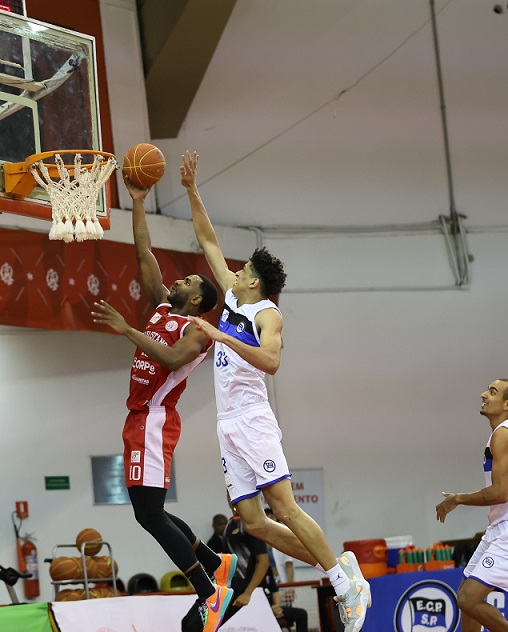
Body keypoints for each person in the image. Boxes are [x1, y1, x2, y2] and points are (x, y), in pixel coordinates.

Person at [181, 151, 369, 632]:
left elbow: (273, 362)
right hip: (228, 426)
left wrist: (223, 338)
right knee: (255, 524)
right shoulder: (231, 294)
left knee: (284, 507)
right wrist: (191, 190)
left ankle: (344, 585)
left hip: (252, 417)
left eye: (243, 270)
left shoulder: (267, 314)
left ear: (255, 281)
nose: (235, 270)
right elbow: (207, 240)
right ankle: (340, 565)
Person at [91, 176, 234, 632]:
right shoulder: (162, 309)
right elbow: (143, 254)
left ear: (196, 300)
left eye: (187, 280)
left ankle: (209, 591)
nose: (176, 279)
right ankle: (213, 559)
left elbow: (171, 358)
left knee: (148, 513)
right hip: (139, 420)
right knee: (148, 510)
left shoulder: (196, 332)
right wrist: (136, 202)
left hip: (154, 420)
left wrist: (126, 330)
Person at [436, 379, 508, 632]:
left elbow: (500, 493)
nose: (483, 394)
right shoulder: (507, 431)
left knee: (468, 599)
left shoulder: (503, 435)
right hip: (503, 527)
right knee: (467, 599)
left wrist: (457, 499)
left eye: (492, 392)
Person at [219, 507, 307, 632]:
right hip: (253, 602)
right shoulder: (246, 568)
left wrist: (277, 606)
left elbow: (274, 587)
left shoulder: (267, 563)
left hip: (270, 601)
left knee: (300, 614)